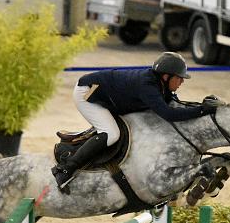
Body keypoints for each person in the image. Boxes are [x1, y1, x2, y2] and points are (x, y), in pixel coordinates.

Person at [51, 51, 216, 192]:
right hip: (87, 94)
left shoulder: (160, 85)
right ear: (166, 76)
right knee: (111, 134)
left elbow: (174, 105)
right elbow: (169, 114)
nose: (182, 82)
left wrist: (201, 105)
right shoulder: (148, 86)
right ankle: (65, 169)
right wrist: (202, 110)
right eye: (179, 78)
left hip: (107, 96)